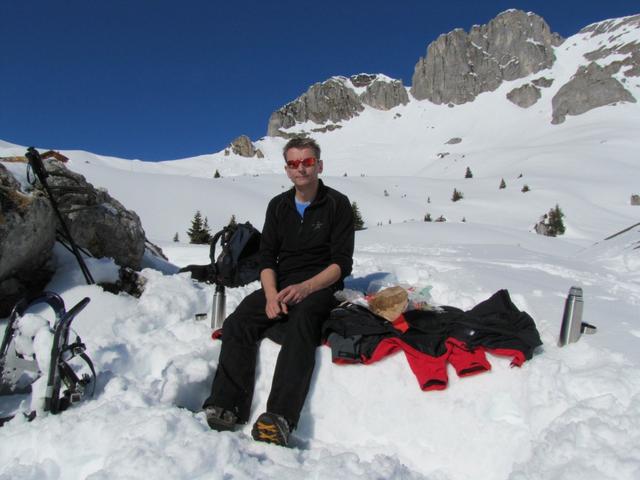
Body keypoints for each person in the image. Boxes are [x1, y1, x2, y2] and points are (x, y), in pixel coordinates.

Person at [202, 137, 355, 447]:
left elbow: (341, 264)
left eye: (307, 162)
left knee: (302, 323)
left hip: (320, 283)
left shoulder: (337, 204)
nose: (301, 169)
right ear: (287, 169)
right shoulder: (278, 206)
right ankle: (227, 405)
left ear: (319, 166)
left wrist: (307, 287)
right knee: (239, 322)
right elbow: (267, 258)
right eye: (294, 163)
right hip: (281, 282)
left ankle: (280, 417)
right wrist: (271, 295)